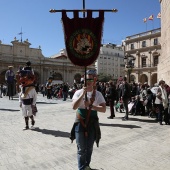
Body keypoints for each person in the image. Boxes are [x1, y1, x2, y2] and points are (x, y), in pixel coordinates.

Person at [71, 69, 106, 170]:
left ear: (94, 81)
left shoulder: (98, 94)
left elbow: (103, 109)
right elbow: (73, 107)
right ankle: (81, 168)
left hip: (92, 122)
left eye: (91, 80)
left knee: (89, 147)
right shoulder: (78, 92)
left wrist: (91, 106)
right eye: (87, 80)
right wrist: (83, 94)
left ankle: (87, 165)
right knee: (81, 148)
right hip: (80, 121)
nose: (89, 82)